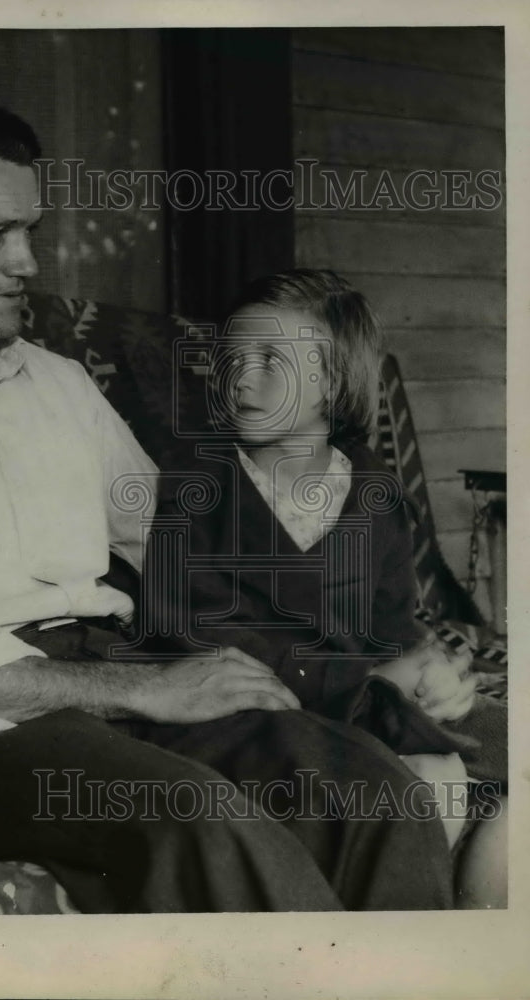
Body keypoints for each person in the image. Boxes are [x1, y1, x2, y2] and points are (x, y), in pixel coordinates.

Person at [0, 95, 455, 914]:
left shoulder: (55, 382)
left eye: (31, 229)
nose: (27, 261)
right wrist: (139, 691)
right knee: (199, 820)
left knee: (374, 797)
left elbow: (176, 546)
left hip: (121, 676)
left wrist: (356, 666)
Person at [141, 270, 506, 895]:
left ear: (331, 382)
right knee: (430, 783)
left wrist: (428, 672)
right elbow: (201, 645)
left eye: (271, 361)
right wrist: (366, 684)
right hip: (255, 714)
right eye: (232, 359)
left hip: (367, 700)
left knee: (504, 759)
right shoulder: (193, 496)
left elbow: (392, 626)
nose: (243, 378)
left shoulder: (375, 494)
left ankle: (476, 931)